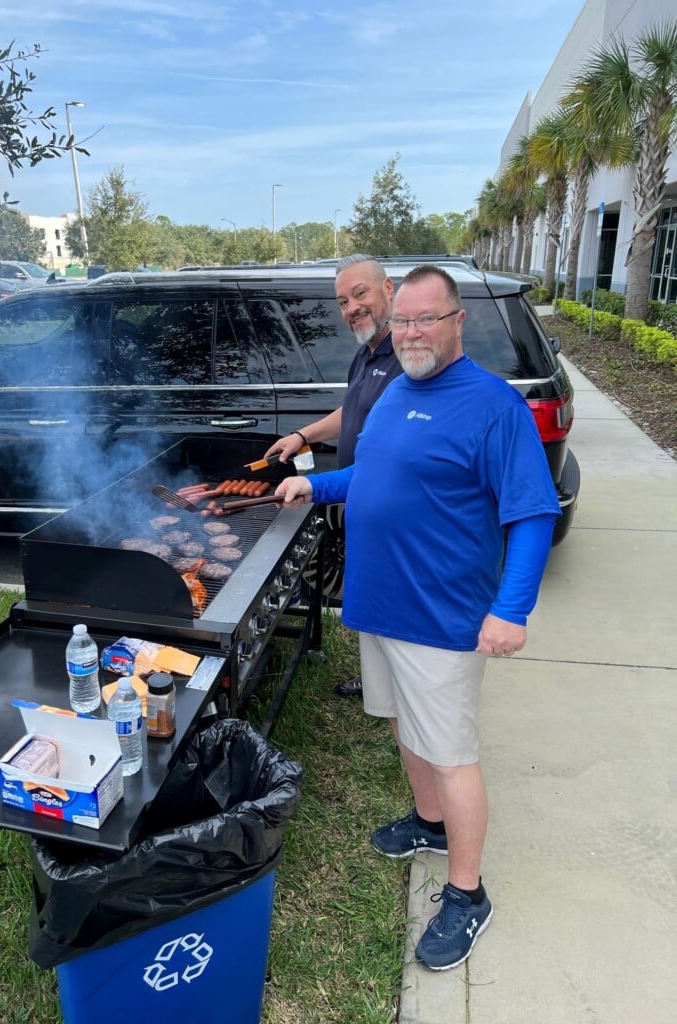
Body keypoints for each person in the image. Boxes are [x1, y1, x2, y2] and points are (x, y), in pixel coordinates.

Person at [274, 264, 560, 972]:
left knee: (453, 753)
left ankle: (468, 894)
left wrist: (510, 609)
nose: (409, 332)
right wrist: (314, 482)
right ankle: (428, 823)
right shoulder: (397, 390)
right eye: (402, 320)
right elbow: (373, 478)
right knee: (406, 726)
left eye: (425, 319)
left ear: (458, 321)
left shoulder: (494, 406)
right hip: (382, 604)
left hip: (443, 615)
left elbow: (531, 513)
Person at [263, 254, 402, 697]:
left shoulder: (407, 359)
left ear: (389, 289)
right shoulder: (366, 355)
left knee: (388, 591)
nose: (351, 308)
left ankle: (399, 684)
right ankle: (379, 679)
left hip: (390, 505)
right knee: (369, 589)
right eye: (343, 301)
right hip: (360, 496)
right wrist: (302, 436)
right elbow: (351, 412)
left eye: (360, 294)